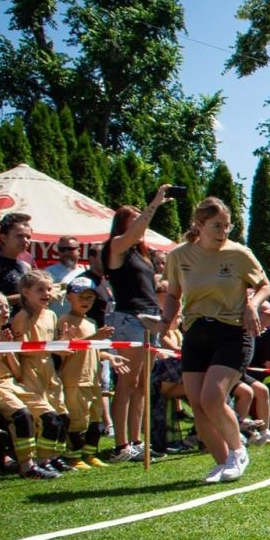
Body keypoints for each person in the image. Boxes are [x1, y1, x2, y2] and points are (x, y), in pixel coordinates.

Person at [161, 197, 269, 484]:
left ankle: (238, 450)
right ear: (199, 225)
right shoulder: (179, 256)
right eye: (217, 226)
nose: (223, 231)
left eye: (227, 225)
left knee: (212, 397)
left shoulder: (239, 254)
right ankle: (222, 462)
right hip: (195, 332)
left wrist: (252, 305)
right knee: (197, 403)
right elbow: (173, 294)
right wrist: (165, 320)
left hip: (233, 332)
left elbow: (264, 286)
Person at [105, 186, 171, 461]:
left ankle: (136, 440)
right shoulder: (116, 247)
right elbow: (133, 233)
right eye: (136, 219)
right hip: (129, 318)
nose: (142, 224)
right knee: (127, 383)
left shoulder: (141, 254)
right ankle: (121, 444)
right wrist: (154, 202)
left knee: (143, 384)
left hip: (148, 318)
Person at [0, 290, 59, 478]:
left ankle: (43, 461)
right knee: (21, 414)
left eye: (6, 306)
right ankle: (26, 465)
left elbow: (18, 373)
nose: (5, 310)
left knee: (50, 415)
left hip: (12, 384)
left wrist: (7, 348)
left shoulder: (4, 336)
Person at [7, 272, 72, 473]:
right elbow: (22, 349)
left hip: (49, 371)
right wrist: (52, 348)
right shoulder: (22, 317)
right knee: (47, 418)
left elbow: (52, 346)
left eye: (49, 288)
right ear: (26, 292)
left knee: (63, 416)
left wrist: (65, 343)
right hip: (31, 371)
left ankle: (55, 455)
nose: (46, 293)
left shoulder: (51, 314)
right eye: (40, 289)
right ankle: (42, 460)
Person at [57, 276, 116, 468]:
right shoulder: (65, 321)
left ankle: (90, 453)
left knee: (95, 416)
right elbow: (67, 349)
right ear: (69, 298)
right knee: (77, 420)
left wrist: (110, 358)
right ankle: (73, 456)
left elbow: (93, 350)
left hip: (93, 379)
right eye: (80, 296)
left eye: (89, 297)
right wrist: (95, 337)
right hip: (74, 379)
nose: (85, 301)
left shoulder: (90, 321)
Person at [0, 212, 33, 301]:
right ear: (4, 237)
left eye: (28, 237)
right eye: (19, 236)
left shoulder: (26, 266)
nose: (25, 241)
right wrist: (25, 297)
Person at [45, 236, 89, 316]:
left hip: (79, 321)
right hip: (56, 322)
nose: (66, 252)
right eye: (62, 249)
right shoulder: (48, 272)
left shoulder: (86, 272)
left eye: (69, 249)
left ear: (79, 250)